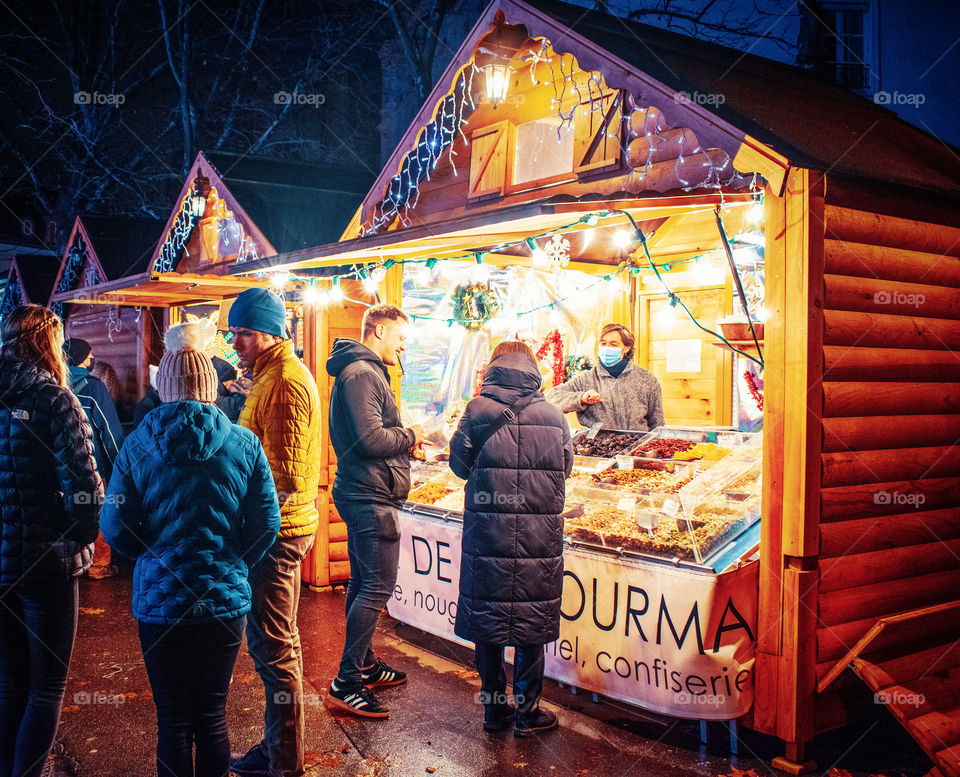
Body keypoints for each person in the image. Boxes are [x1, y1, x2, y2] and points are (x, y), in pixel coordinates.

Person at [100, 322, 281, 777]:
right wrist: (235, 562)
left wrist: (146, 556)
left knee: (174, 720)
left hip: (159, 602)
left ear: (164, 388)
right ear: (208, 387)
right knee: (212, 715)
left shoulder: (137, 443)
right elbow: (266, 525)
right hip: (223, 602)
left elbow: (114, 525)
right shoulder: (244, 443)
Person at [449, 340, 573, 736]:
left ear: (493, 366)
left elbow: (457, 465)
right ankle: (528, 713)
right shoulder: (554, 415)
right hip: (540, 536)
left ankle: (494, 709)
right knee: (531, 623)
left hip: (488, 535)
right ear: (532, 368)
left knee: (488, 621)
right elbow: (566, 468)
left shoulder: (476, 410)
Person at [0, 305, 102, 777]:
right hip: (47, 563)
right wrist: (80, 541)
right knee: (46, 689)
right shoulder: (55, 400)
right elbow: (84, 487)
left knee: (10, 683)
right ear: (47, 343)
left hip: (3, 561)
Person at [227, 288, 321, 777]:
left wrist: (254, 532)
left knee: (275, 647)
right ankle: (278, 748)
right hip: (276, 529)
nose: (236, 341)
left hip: (278, 532)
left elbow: (279, 477)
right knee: (274, 644)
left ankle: (284, 760)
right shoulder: (269, 377)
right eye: (233, 331)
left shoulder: (283, 381)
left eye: (244, 332)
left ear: (270, 332)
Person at [325, 304, 423, 719]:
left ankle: (363, 664)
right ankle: (346, 683)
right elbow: (370, 439)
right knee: (377, 587)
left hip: (365, 490)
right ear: (379, 330)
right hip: (370, 495)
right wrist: (413, 435)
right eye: (401, 338)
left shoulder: (361, 370)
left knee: (363, 582)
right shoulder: (362, 373)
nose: (404, 346)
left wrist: (402, 441)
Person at [65, 338, 124, 579]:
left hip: (63, 464)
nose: (92, 360)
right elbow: (108, 430)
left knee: (71, 511)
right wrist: (120, 464)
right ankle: (98, 567)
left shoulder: (54, 382)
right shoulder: (93, 387)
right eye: (89, 356)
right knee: (99, 513)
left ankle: (73, 564)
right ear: (81, 358)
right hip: (93, 463)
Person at [546, 322, 664, 432]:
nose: (607, 347)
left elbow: (657, 423)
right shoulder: (586, 379)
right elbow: (551, 399)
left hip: (636, 449)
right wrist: (581, 398)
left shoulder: (646, 379)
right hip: (599, 449)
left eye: (613, 344)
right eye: (603, 343)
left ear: (627, 348)